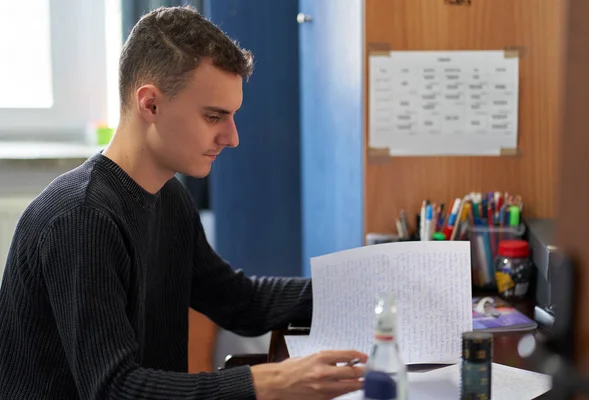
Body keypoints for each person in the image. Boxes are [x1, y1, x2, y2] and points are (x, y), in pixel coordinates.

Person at [0, 6, 367, 400]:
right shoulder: (83, 217)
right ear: (150, 104)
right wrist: (271, 381)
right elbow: (115, 389)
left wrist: (363, 289)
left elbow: (239, 302)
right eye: (214, 117)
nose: (232, 137)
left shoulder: (168, 196)